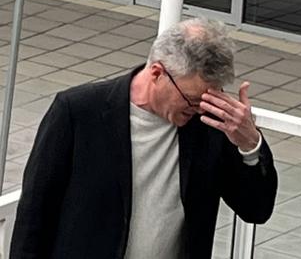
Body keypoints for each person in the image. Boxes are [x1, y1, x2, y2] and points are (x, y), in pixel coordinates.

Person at [10, 18, 278, 258]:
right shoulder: (78, 112)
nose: (198, 109)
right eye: (192, 99)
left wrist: (249, 144)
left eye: (210, 97)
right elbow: (35, 214)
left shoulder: (211, 124)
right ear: (157, 74)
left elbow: (256, 209)